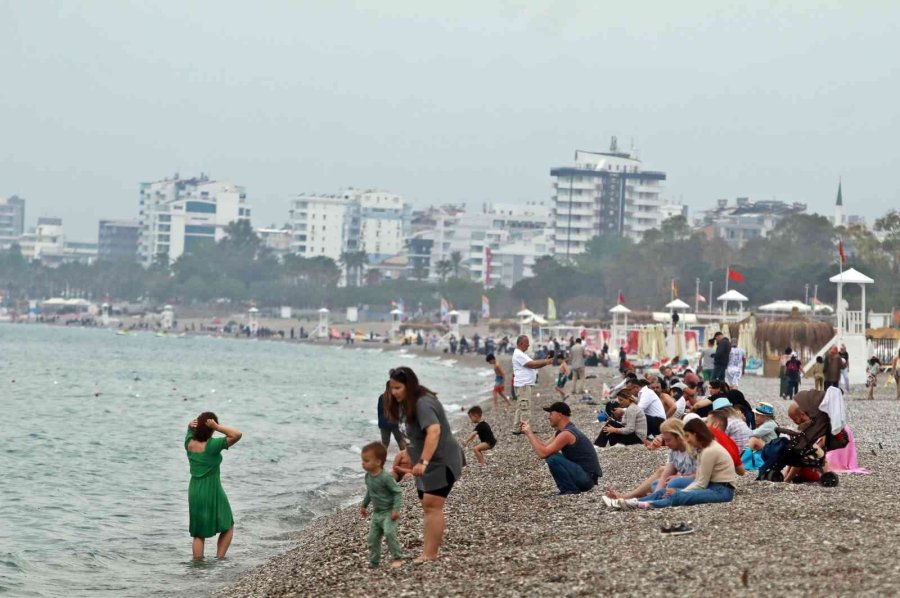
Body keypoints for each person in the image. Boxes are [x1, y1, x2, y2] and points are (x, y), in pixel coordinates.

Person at [384, 366, 464, 563]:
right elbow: (414, 434)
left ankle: (430, 554)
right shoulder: (408, 403)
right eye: (391, 389)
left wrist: (423, 461)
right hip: (426, 463)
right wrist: (407, 453)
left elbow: (434, 431)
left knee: (432, 506)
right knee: (427, 506)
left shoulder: (423, 403)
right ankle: (429, 549)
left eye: (397, 388)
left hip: (441, 462)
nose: (394, 393)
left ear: (408, 385)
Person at [604, 418, 736, 509]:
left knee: (676, 494)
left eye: (688, 436)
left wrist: (680, 490)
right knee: (666, 491)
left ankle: (645, 504)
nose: (686, 439)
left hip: (721, 490)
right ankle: (630, 501)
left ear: (695, 434)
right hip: (713, 487)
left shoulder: (708, 450)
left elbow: (700, 482)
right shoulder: (705, 448)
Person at [185, 412, 242, 559]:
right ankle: (219, 559)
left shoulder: (189, 443)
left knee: (198, 533)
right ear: (211, 429)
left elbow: (190, 432)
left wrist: (189, 426)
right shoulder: (212, 446)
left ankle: (197, 567)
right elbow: (237, 434)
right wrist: (217, 427)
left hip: (194, 491)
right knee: (228, 525)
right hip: (212, 489)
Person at [519, 402, 602, 495]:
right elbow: (544, 447)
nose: (548, 417)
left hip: (586, 479)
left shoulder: (567, 433)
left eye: (551, 414)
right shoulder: (562, 432)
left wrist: (530, 433)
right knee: (551, 455)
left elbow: (543, 453)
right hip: (582, 475)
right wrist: (528, 432)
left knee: (553, 458)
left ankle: (569, 489)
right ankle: (569, 488)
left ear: (559, 415)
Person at [604, 418, 697, 500]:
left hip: (697, 483)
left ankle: (634, 498)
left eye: (668, 440)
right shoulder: (674, 451)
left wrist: (680, 477)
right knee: (656, 483)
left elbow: (702, 475)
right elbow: (665, 475)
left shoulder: (694, 449)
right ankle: (631, 497)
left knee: (673, 483)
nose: (666, 444)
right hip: (684, 481)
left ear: (679, 437)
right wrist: (656, 494)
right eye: (665, 440)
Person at [360, 441, 407, 569]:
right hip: (377, 513)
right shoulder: (368, 477)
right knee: (372, 538)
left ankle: (398, 557)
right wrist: (364, 505)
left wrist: (396, 510)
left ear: (378, 462)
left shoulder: (386, 477)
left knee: (389, 532)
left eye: (366, 460)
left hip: (389, 512)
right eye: (362, 460)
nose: (363, 463)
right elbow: (370, 491)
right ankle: (374, 561)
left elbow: (397, 492)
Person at [511, 335, 554, 435]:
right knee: (525, 407)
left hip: (523, 384)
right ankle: (525, 429)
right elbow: (532, 364)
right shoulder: (518, 354)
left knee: (520, 407)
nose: (528, 345)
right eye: (527, 343)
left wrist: (544, 361)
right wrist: (546, 362)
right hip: (523, 384)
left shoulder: (521, 354)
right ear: (521, 343)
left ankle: (517, 428)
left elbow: (533, 363)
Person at [378, 384, 406, 451]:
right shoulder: (396, 397)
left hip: (384, 423)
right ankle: (405, 457)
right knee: (400, 441)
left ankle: (381, 459)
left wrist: (380, 422)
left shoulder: (382, 397)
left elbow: (380, 411)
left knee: (384, 443)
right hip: (395, 422)